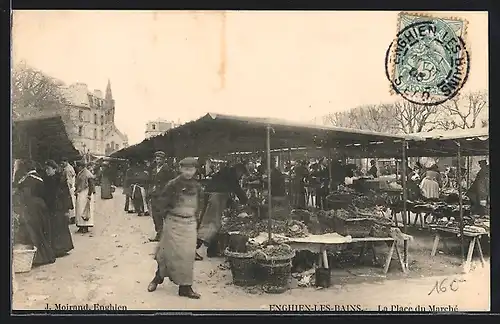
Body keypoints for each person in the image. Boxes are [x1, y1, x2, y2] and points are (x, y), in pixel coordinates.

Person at [147, 157, 203, 299]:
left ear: (195, 170)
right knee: (167, 254)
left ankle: (185, 287)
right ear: (180, 169)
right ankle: (157, 278)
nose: (188, 172)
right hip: (173, 223)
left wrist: (196, 219)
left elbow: (200, 205)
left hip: (190, 224)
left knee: (188, 256)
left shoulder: (197, 187)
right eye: (185, 169)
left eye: (191, 169)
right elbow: (161, 204)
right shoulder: (172, 185)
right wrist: (165, 221)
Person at [196, 163, 249, 260]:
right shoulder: (231, 174)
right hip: (216, 197)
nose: (241, 177)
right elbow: (236, 188)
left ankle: (212, 250)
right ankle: (196, 250)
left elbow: (227, 192)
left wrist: (234, 204)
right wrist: (245, 201)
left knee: (212, 223)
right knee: (212, 223)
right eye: (241, 174)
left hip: (213, 195)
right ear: (239, 170)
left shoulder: (226, 172)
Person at [13, 160, 56, 266]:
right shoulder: (39, 178)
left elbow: (24, 195)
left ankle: (38, 258)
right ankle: (45, 255)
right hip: (40, 206)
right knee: (39, 231)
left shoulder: (27, 179)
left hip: (31, 207)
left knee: (32, 231)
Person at [43, 160, 74, 257]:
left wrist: (67, 209)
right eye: (46, 169)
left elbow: (65, 195)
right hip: (52, 208)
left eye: (49, 169)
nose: (47, 171)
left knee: (60, 227)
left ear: (54, 169)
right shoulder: (47, 180)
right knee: (54, 228)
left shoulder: (59, 180)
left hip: (59, 207)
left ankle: (62, 248)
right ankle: (56, 248)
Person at [148, 151, 176, 242]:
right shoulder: (153, 170)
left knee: (164, 214)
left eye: (160, 159)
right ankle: (159, 233)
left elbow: (172, 182)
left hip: (163, 195)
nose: (158, 161)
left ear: (164, 160)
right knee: (156, 215)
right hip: (154, 195)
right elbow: (151, 182)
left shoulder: (168, 170)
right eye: (157, 159)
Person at [74, 160, 96, 234]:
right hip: (81, 193)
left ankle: (85, 227)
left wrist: (89, 194)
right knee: (80, 209)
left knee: (84, 209)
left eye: (78, 166)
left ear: (81, 166)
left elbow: (91, 185)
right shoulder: (81, 173)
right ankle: (81, 225)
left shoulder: (87, 173)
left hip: (86, 193)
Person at [61, 157, 76, 224]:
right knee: (71, 202)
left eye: (63, 162)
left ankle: (72, 218)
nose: (62, 164)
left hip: (69, 188)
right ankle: (72, 217)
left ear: (66, 161)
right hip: (71, 187)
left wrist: (68, 189)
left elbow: (68, 181)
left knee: (70, 203)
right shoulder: (70, 167)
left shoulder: (67, 169)